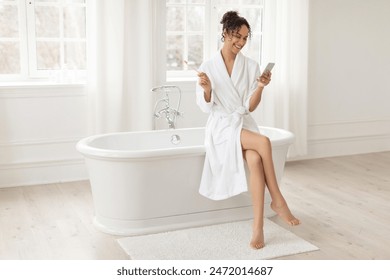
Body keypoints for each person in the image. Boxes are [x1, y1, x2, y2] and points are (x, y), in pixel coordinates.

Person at [196, 11, 300, 250]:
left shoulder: (250, 65)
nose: (241, 42)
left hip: (242, 124)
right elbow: (205, 106)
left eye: (245, 38)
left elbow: (250, 107)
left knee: (254, 160)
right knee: (263, 142)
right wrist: (208, 89)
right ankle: (278, 200)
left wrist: (261, 86)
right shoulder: (208, 66)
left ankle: (258, 228)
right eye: (237, 36)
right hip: (221, 127)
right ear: (225, 33)